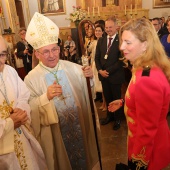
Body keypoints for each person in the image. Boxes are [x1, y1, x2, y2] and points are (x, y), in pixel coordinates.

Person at [24, 12, 100, 170]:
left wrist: (89, 78)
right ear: (37, 54)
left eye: (54, 50)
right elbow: (29, 112)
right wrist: (45, 98)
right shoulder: (31, 79)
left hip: (79, 126)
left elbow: (89, 94)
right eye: (46, 52)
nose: (52, 55)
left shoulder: (73, 68)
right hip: (56, 135)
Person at [109, 18, 170, 170]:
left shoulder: (147, 79)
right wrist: (124, 102)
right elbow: (147, 103)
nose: (122, 47)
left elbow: (146, 131)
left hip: (149, 152)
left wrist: (138, 164)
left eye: (128, 42)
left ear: (145, 45)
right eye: (122, 41)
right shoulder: (146, 66)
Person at [0, 36, 47, 170]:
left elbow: (24, 95)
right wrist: (9, 124)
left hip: (21, 136)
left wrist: (21, 110)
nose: (1, 61)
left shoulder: (9, 71)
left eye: (3, 54)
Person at [95, 16, 125, 130]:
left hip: (115, 76)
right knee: (107, 97)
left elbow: (121, 60)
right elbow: (96, 57)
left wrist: (107, 71)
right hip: (104, 77)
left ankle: (117, 119)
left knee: (116, 98)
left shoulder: (121, 40)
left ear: (116, 27)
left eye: (110, 27)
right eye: (106, 27)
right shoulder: (101, 40)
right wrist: (100, 70)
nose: (108, 29)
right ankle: (109, 116)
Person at [91, 24, 107, 111]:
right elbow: (92, 55)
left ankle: (105, 103)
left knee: (103, 86)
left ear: (103, 32)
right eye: (96, 31)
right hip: (94, 65)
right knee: (98, 85)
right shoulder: (94, 42)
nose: (97, 32)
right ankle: (103, 103)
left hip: (100, 66)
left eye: (99, 31)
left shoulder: (103, 41)